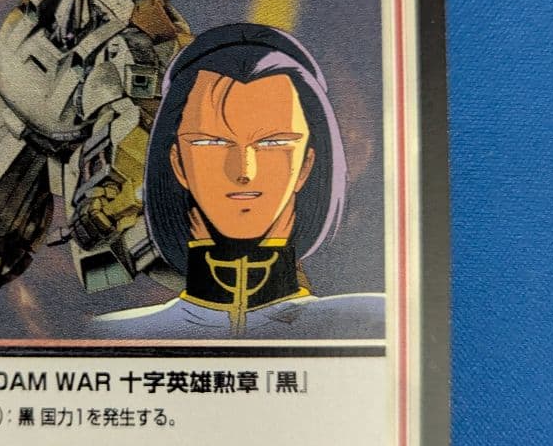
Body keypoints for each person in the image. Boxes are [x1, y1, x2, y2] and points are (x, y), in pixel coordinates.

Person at [96, 23, 385, 339]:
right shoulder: (109, 335)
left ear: (307, 164)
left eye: (273, 142)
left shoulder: (374, 323)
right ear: (177, 162)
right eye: (211, 142)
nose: (244, 170)